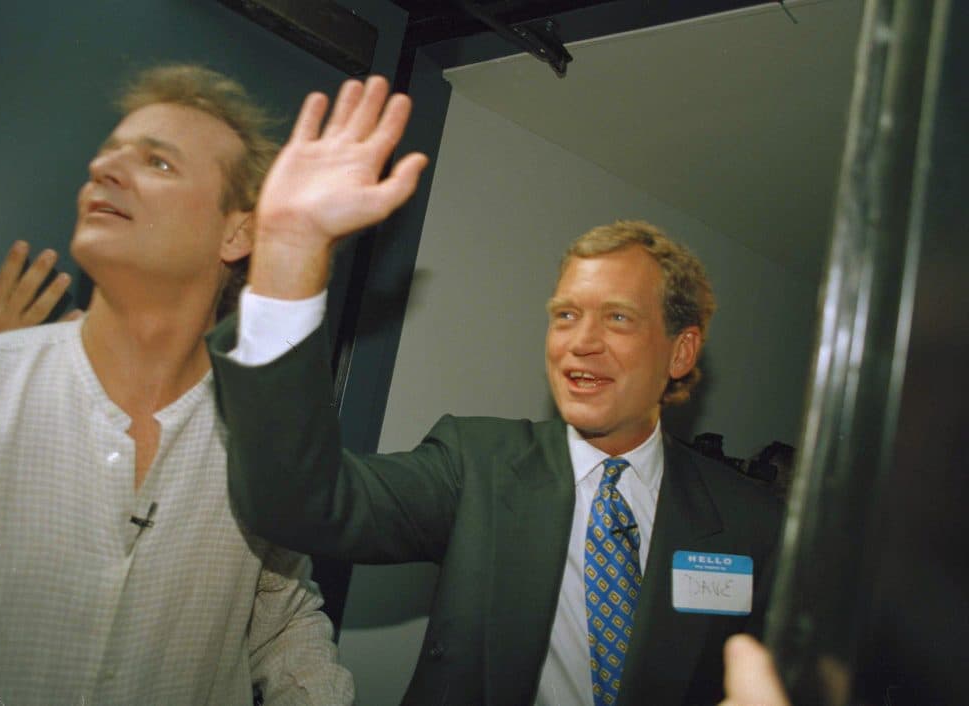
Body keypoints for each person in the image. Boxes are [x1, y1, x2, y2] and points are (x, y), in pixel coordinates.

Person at [206, 76, 783, 706]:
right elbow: (299, 503)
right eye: (565, 315)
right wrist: (286, 268)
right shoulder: (474, 464)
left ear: (680, 351)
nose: (578, 343)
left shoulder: (752, 522)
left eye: (617, 318)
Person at [0, 65, 353, 705]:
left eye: (159, 163)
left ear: (238, 232)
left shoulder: (267, 441)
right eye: (107, 155)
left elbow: (282, 619)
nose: (105, 170)